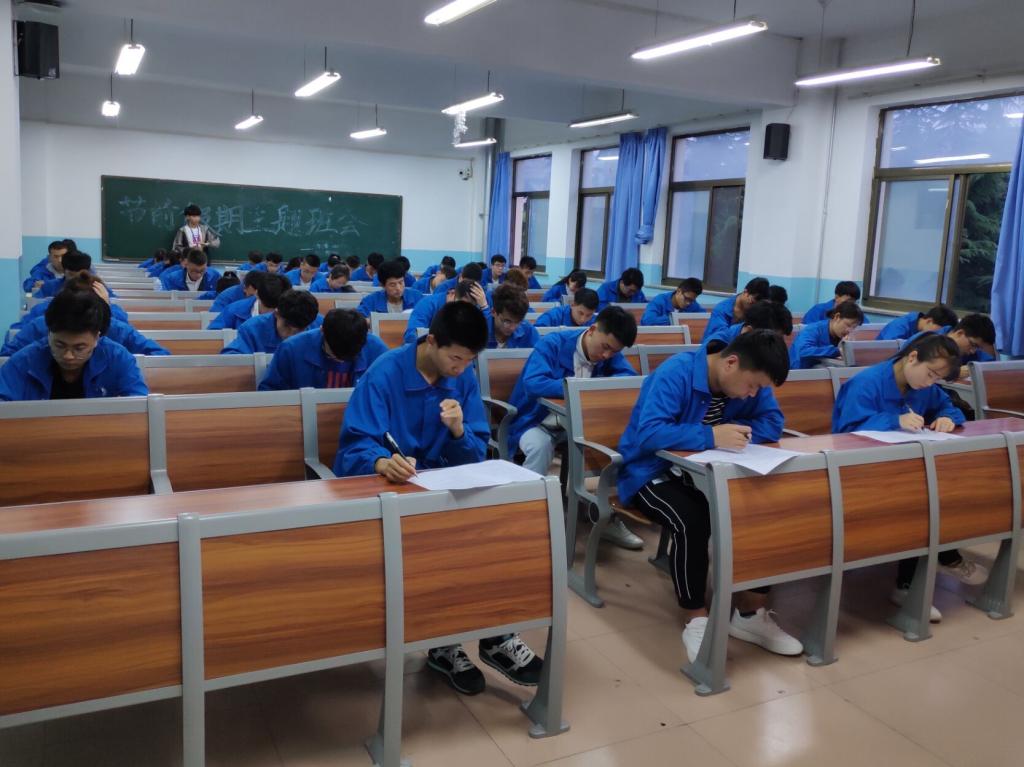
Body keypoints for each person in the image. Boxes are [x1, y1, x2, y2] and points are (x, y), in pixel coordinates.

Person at [335, 301, 543, 694]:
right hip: (393, 493)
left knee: (499, 537)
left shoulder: (462, 377)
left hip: (443, 489)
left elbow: (475, 452)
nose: (461, 369)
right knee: (446, 549)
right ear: (431, 341)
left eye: (469, 361)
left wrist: (459, 432)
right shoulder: (384, 374)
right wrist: (381, 461)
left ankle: (496, 634)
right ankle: (446, 643)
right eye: (455, 358)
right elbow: (354, 445)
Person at [617, 331, 802, 662]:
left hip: (708, 473)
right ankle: (696, 618)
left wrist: (735, 434)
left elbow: (773, 422)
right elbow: (649, 434)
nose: (753, 394)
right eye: (752, 386)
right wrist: (711, 435)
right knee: (692, 519)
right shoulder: (676, 373)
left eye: (759, 389)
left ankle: (749, 615)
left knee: (765, 510)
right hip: (650, 471)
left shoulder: (749, 378)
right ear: (731, 363)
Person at [832, 333, 983, 621]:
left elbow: (947, 406)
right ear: (912, 357)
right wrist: (894, 420)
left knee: (946, 489)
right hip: (859, 473)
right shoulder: (866, 383)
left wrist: (948, 418)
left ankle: (921, 573)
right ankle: (927, 571)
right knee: (923, 499)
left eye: (937, 378)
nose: (930, 383)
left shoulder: (924, 386)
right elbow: (846, 432)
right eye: (930, 374)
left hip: (902, 470)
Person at [507, 306, 642, 550]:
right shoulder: (553, 344)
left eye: (614, 352)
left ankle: (604, 515)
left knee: (613, 446)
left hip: (579, 425)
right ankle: (524, 515)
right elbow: (534, 383)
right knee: (539, 447)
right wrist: (578, 388)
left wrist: (597, 387)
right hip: (538, 421)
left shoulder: (610, 352)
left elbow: (627, 379)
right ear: (592, 330)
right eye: (605, 347)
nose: (607, 356)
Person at [0, 290, 148, 401]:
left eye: (79, 348)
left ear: (97, 338)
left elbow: (138, 404)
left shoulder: (118, 358)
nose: (68, 356)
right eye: (59, 345)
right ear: (49, 334)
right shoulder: (24, 362)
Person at [3, 276, 170, 357]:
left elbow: (160, 356)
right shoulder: (41, 325)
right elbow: (6, 356)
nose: (69, 356)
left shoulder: (115, 335)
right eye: (60, 345)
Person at [259, 309, 389, 391]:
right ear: (322, 331)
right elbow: (270, 391)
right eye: (333, 356)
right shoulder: (291, 349)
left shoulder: (376, 349)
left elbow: (390, 390)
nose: (340, 362)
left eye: (348, 358)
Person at [221, 289, 322, 354]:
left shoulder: (321, 326)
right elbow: (231, 360)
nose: (291, 335)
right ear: (276, 314)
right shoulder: (252, 328)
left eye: (299, 331)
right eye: (286, 327)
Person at [405, 279, 491, 344]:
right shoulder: (428, 304)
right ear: (452, 293)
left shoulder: (473, 310)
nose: (466, 312)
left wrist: (484, 306)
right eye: (462, 305)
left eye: (471, 308)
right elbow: (411, 335)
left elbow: (486, 340)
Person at [788, 302, 865, 369]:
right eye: (848, 325)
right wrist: (837, 351)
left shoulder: (840, 336)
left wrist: (847, 348)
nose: (849, 330)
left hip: (822, 372)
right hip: (799, 372)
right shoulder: (813, 330)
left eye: (853, 327)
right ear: (837, 317)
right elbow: (803, 351)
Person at [701, 300, 793, 351]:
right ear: (749, 330)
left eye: (780, 337)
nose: (776, 342)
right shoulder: (716, 346)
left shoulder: (770, 345)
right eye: (772, 338)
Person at [208, 273, 289, 330]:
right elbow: (213, 335)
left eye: (276, 308)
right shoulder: (235, 310)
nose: (271, 313)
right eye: (267, 307)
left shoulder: (291, 313)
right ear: (257, 294)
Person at [703, 277, 770, 339]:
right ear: (745, 292)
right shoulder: (721, 309)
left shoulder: (756, 310)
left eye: (757, 304)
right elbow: (718, 337)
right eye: (752, 302)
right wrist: (741, 330)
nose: (753, 307)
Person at [357, 259, 424, 317]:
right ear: (382, 285)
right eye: (392, 285)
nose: (398, 288)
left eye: (401, 282)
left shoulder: (417, 297)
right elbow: (359, 320)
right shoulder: (371, 301)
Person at [487, 285, 539, 349]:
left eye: (518, 322)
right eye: (507, 321)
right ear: (493, 312)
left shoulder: (529, 332)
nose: (512, 328)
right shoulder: (478, 331)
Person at [640, 278, 705, 325]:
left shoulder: (693, 304)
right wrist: (674, 319)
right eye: (686, 298)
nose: (688, 303)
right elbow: (647, 321)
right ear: (679, 291)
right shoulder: (659, 301)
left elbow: (704, 318)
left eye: (692, 300)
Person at [876, 305, 959, 341]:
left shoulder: (919, 326)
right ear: (929, 321)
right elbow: (887, 354)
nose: (937, 336)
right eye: (937, 332)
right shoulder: (899, 327)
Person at [534, 287, 599, 328]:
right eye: (580, 313)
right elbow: (537, 334)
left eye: (589, 315)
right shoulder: (553, 316)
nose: (583, 320)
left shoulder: (596, 322)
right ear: (572, 305)